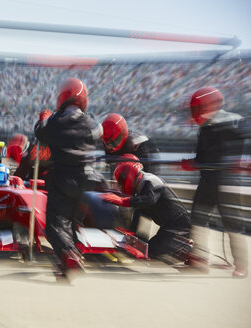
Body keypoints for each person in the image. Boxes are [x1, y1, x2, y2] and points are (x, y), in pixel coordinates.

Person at [34, 78, 104, 278]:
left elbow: (39, 132)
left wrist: (44, 118)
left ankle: (68, 254)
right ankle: (67, 261)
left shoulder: (54, 122)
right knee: (73, 222)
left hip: (61, 175)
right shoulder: (91, 123)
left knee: (55, 224)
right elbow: (99, 133)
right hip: (85, 177)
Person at [182, 86, 249, 277]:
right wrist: (193, 163)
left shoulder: (230, 121)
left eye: (196, 108)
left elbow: (240, 146)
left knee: (231, 222)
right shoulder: (206, 127)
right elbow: (202, 156)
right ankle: (201, 259)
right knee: (198, 218)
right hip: (209, 179)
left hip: (226, 180)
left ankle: (241, 265)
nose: (194, 114)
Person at [101, 159, 191, 258]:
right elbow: (139, 210)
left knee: (152, 252)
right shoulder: (142, 185)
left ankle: (186, 248)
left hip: (178, 224)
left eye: (121, 181)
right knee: (149, 250)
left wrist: (123, 201)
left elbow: (148, 200)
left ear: (129, 176)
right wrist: (133, 236)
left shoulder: (150, 181)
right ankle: (180, 249)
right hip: (169, 225)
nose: (121, 185)